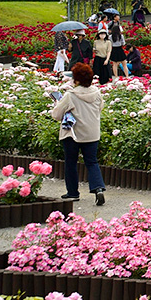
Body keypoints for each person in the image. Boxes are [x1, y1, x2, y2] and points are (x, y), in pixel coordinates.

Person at [49, 63, 107, 205]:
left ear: (77, 79)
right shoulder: (97, 93)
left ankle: (73, 193)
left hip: (73, 134)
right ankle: (98, 188)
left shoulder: (71, 95)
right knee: (92, 161)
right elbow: (100, 108)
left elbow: (56, 115)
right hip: (92, 133)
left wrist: (57, 104)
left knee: (71, 162)